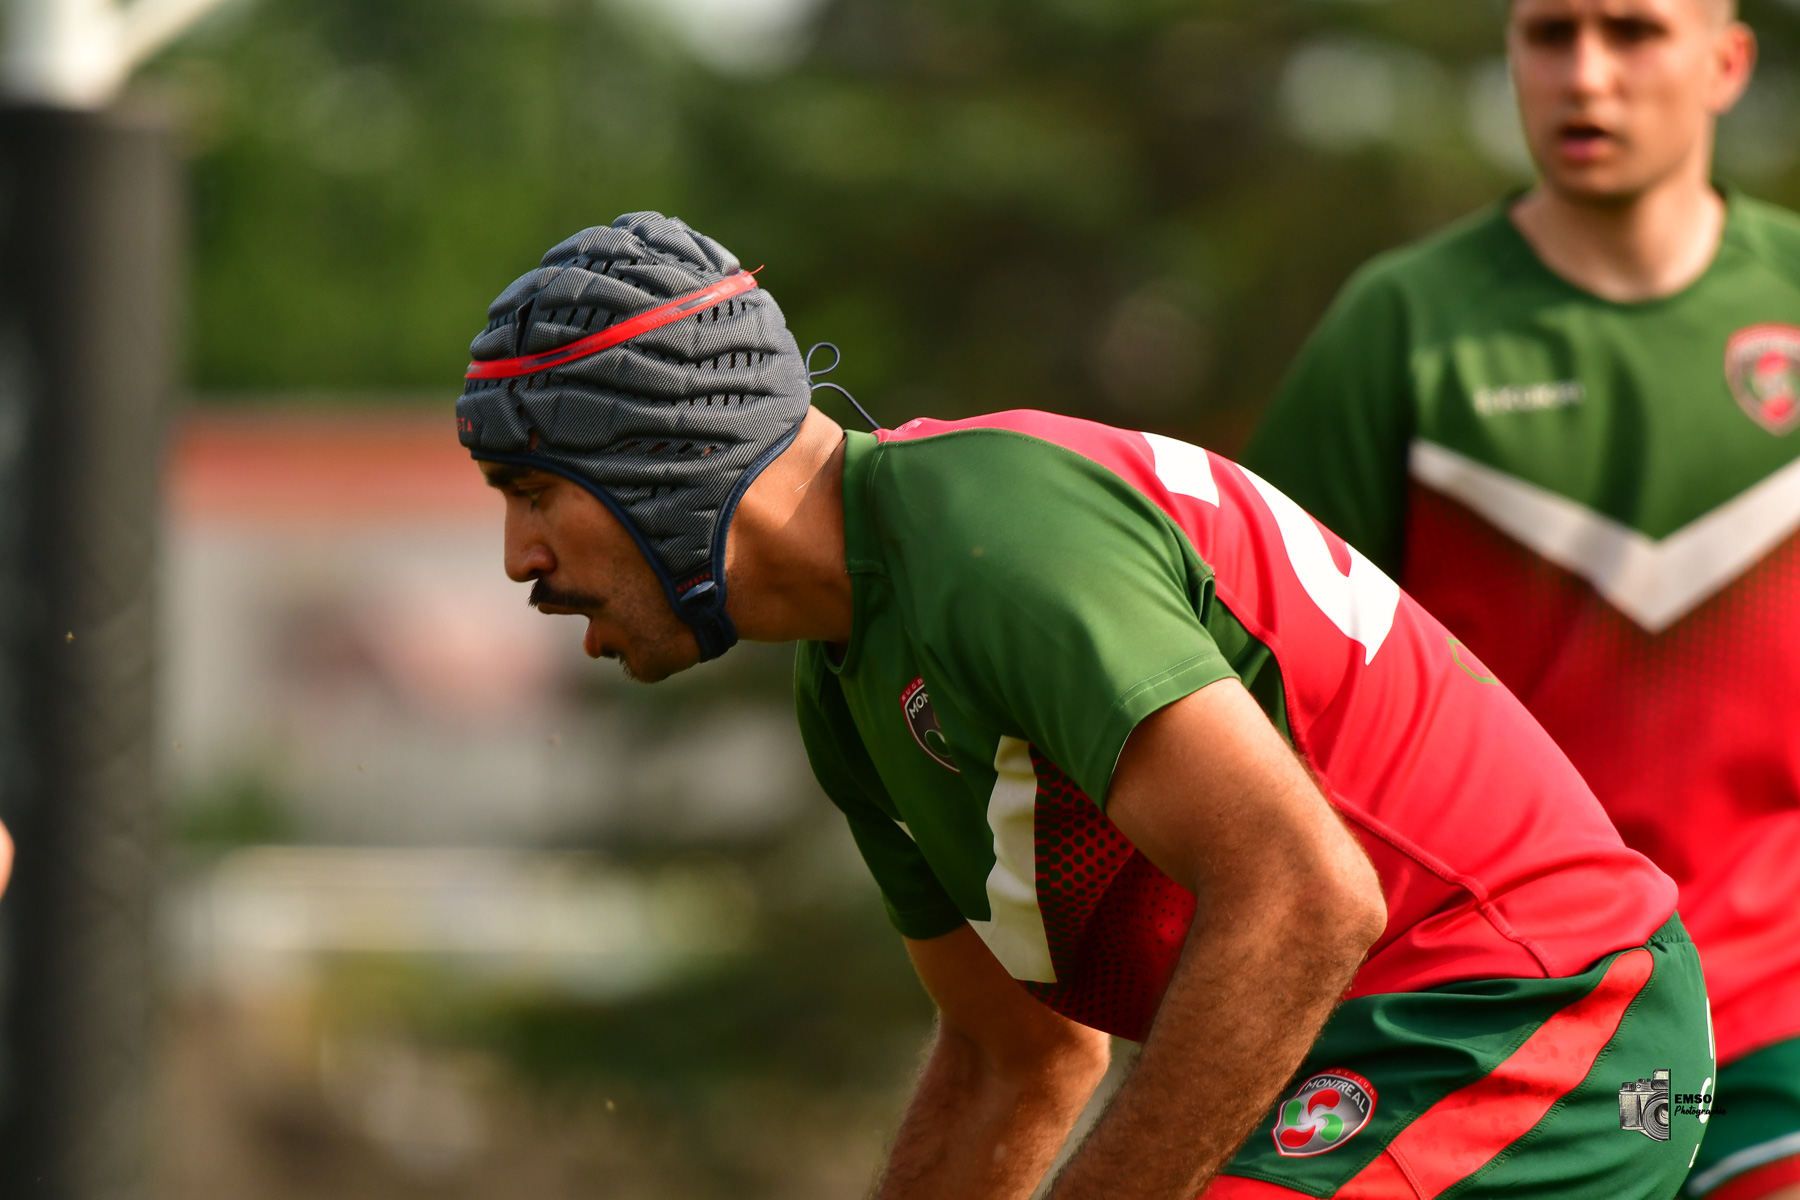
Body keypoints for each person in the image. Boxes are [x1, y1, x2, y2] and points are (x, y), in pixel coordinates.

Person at [457, 211, 1711, 1200]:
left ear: (663, 453)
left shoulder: (984, 538)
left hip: (1536, 1015)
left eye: (533, 490)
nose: (520, 557)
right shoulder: (850, 689)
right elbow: (1020, 1059)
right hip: (1390, 1048)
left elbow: (1303, 895)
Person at [1243, 1, 1800, 1197]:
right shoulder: (1400, 326)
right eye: (1550, 34)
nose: (1585, 74)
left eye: (1633, 31)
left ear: (1727, 62)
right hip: (1499, 1007)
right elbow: (1269, 682)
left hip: (1776, 996)